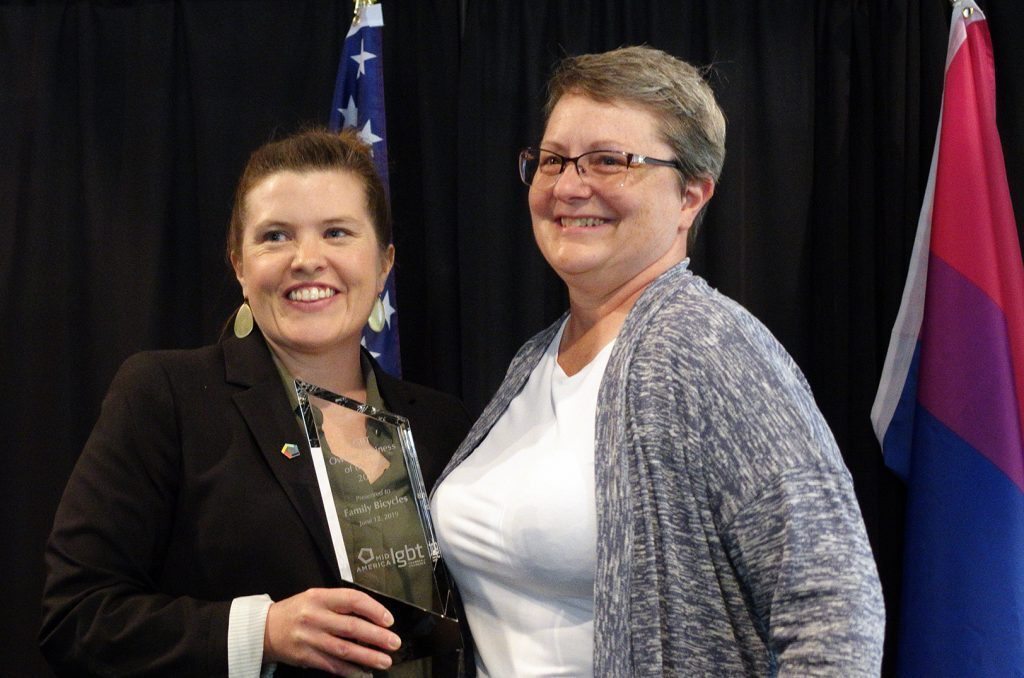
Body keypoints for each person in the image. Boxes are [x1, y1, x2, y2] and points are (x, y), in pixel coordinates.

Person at [431, 46, 885, 676]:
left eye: (609, 161)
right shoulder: (533, 360)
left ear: (692, 195)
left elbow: (834, 614)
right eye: (554, 159)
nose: (568, 185)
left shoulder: (713, 351)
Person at [40, 128, 471, 677]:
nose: (306, 259)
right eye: (275, 236)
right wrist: (261, 632)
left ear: (385, 262)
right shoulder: (166, 396)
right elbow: (75, 618)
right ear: (239, 264)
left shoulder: (444, 422)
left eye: (337, 232)